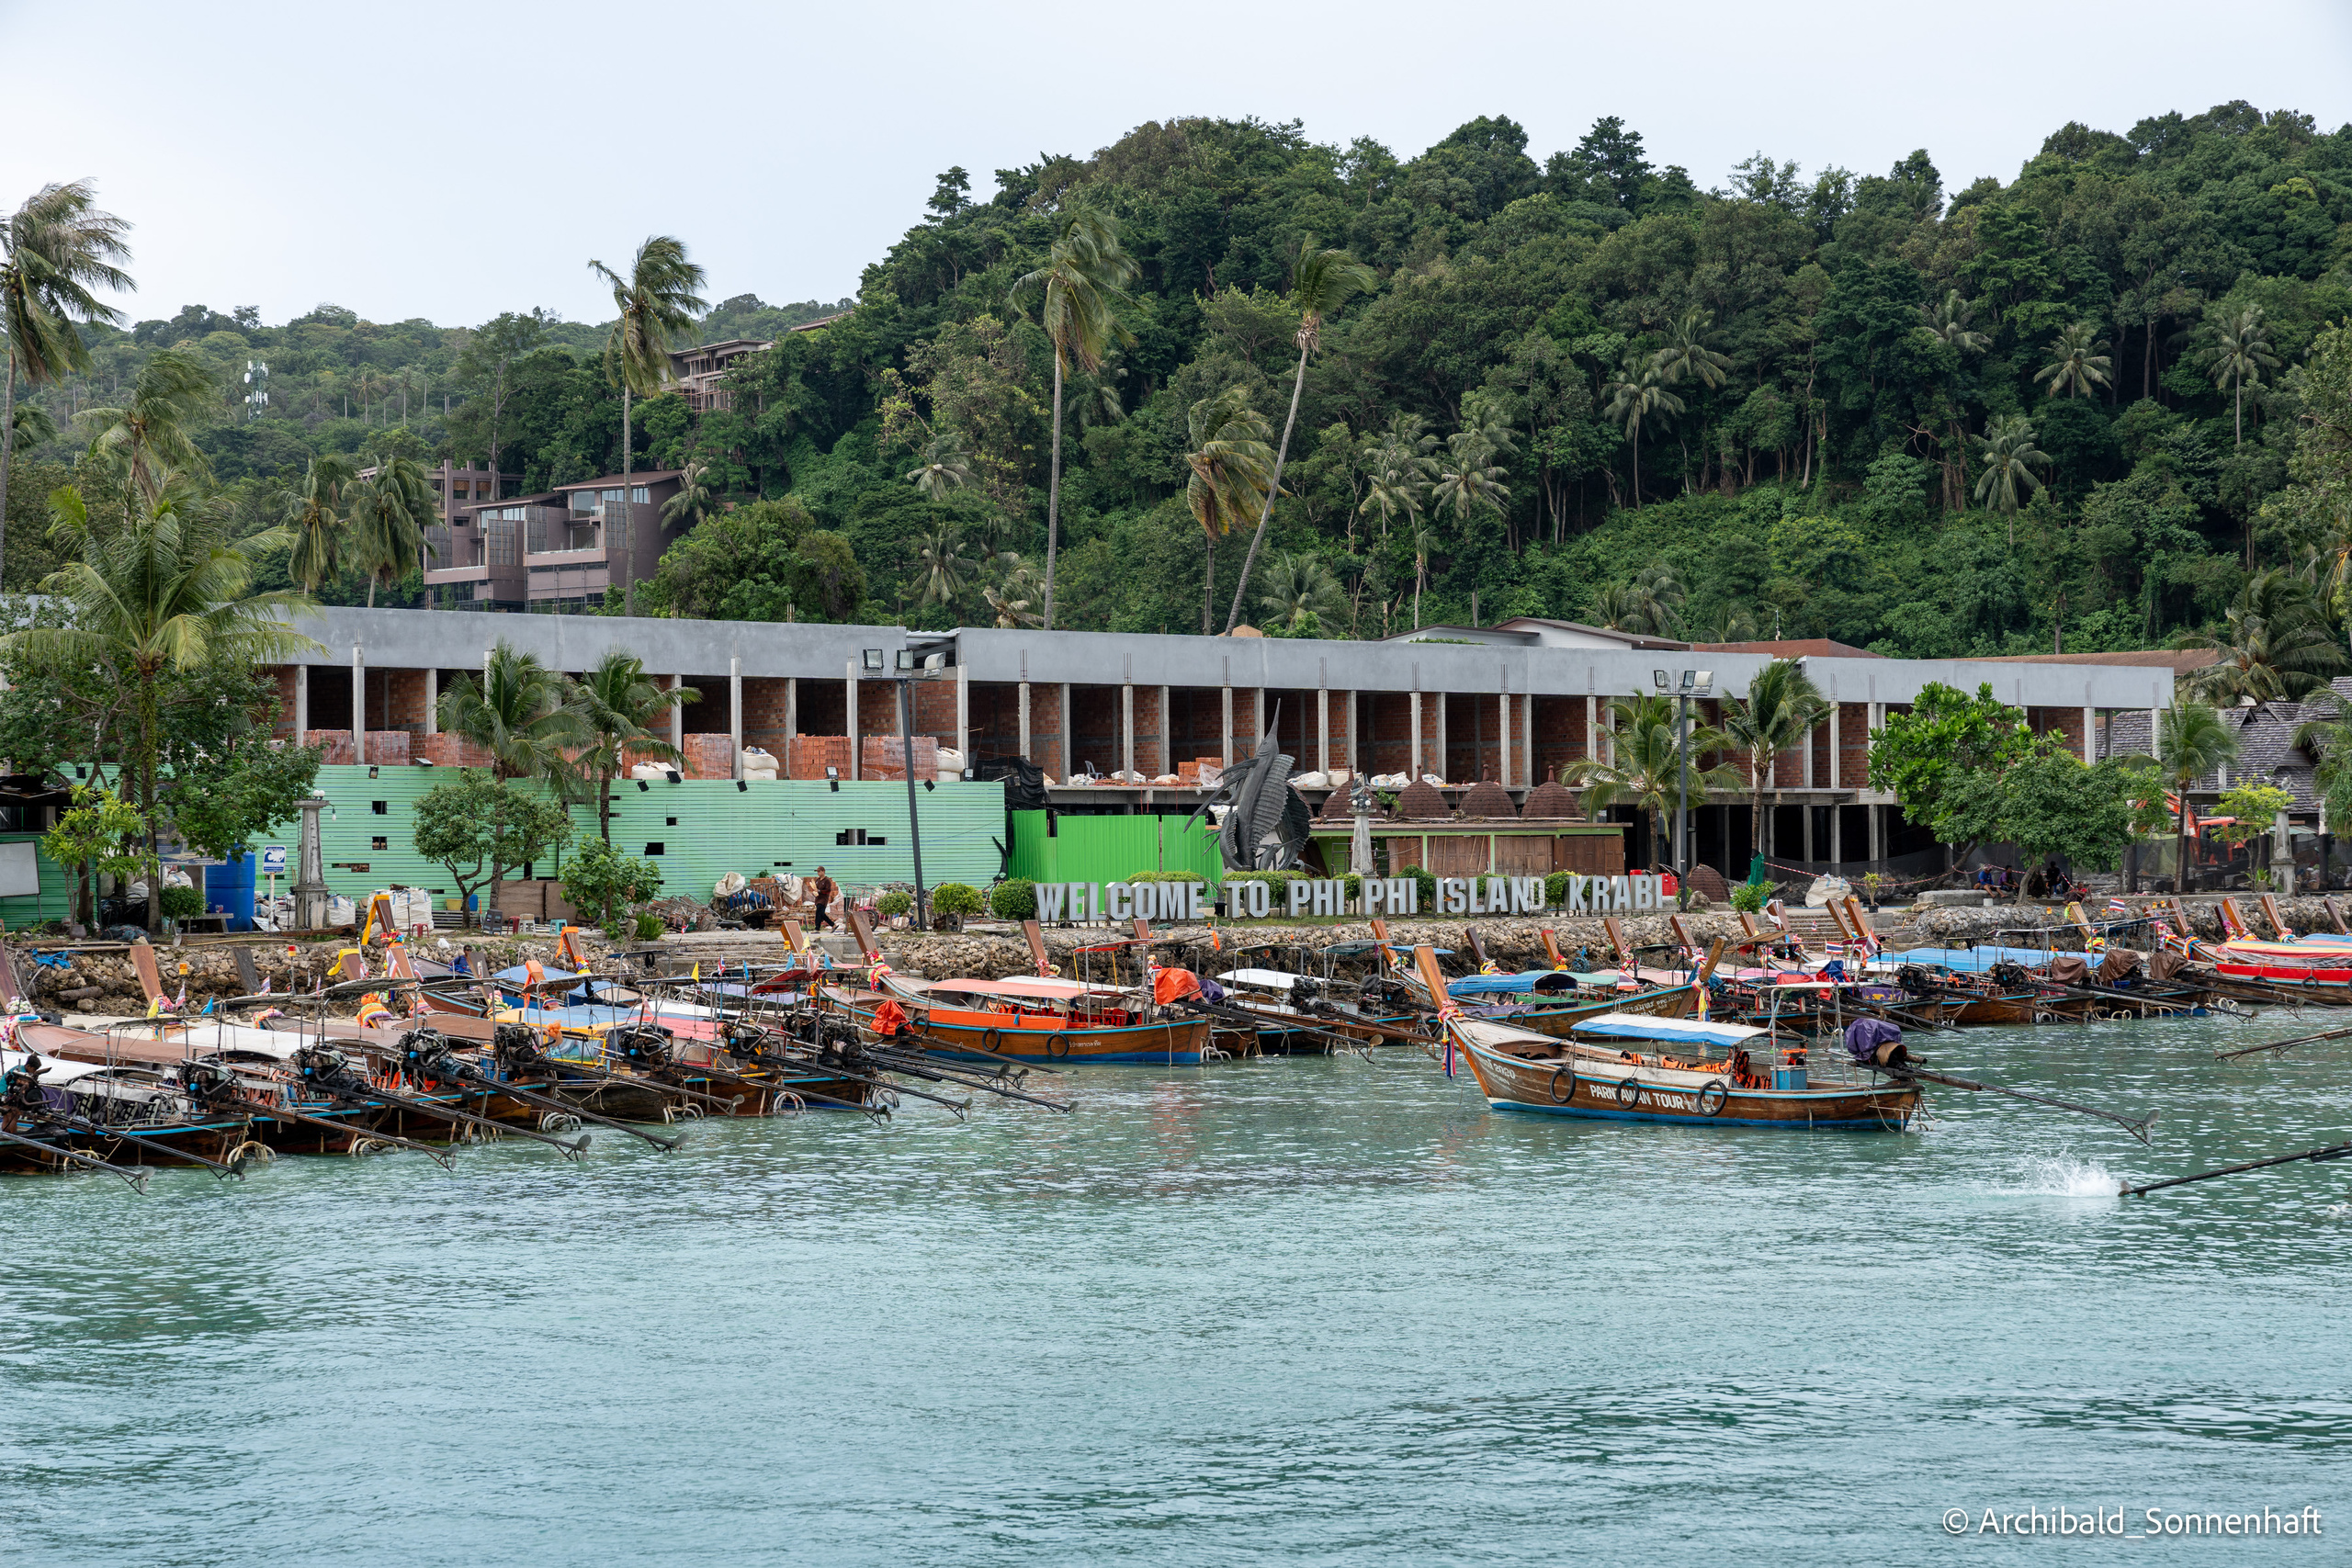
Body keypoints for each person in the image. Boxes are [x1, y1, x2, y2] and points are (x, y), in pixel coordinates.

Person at [809, 866, 837, 931]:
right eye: (817, 872)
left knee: (819, 913)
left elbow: (828, 890)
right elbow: (815, 888)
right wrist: (814, 892)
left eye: (819, 871)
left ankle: (817, 928)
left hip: (823, 899)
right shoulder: (817, 880)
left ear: (823, 871)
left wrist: (819, 891)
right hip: (818, 899)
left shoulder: (826, 880)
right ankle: (833, 925)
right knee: (821, 914)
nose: (818, 873)